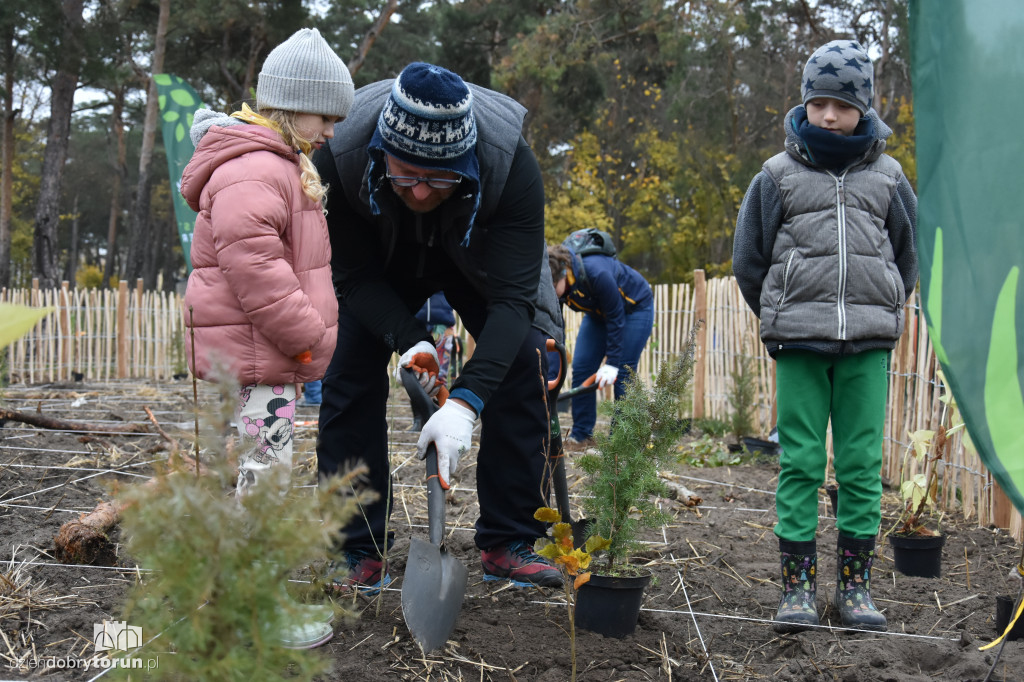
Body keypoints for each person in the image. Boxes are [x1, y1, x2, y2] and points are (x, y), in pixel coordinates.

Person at [312, 62, 565, 592]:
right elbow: (353, 277)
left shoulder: (509, 165)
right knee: (347, 370)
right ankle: (355, 548)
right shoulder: (340, 155)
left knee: (524, 360)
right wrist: (412, 341)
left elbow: (516, 300)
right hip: (382, 259)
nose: (422, 193)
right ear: (381, 152)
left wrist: (465, 403)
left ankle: (509, 539)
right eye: (407, 174)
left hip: (476, 246)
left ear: (468, 163)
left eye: (439, 178)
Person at [732, 40, 918, 633]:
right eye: (818, 103)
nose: (829, 116)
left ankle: (856, 589)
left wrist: (884, 305)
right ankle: (797, 591)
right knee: (802, 463)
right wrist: (781, 314)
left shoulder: (889, 177)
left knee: (863, 463)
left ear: (864, 105)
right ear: (804, 104)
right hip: (800, 343)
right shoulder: (777, 176)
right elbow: (749, 260)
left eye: (841, 104)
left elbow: (906, 255)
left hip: (867, 342)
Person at [180, 28, 353, 648]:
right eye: (325, 114)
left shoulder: (274, 162)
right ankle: (258, 612)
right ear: (290, 103)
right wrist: (310, 337)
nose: (332, 130)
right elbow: (255, 267)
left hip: (269, 358)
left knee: (265, 473)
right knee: (266, 480)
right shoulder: (256, 168)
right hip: (265, 355)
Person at [546, 242, 654, 450]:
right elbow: (555, 329)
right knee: (583, 366)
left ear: (563, 274)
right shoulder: (555, 284)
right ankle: (581, 435)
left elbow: (616, 316)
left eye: (552, 288)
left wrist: (612, 363)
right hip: (598, 314)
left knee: (623, 371)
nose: (551, 294)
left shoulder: (596, 273)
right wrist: (551, 377)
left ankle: (620, 442)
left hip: (634, 308)